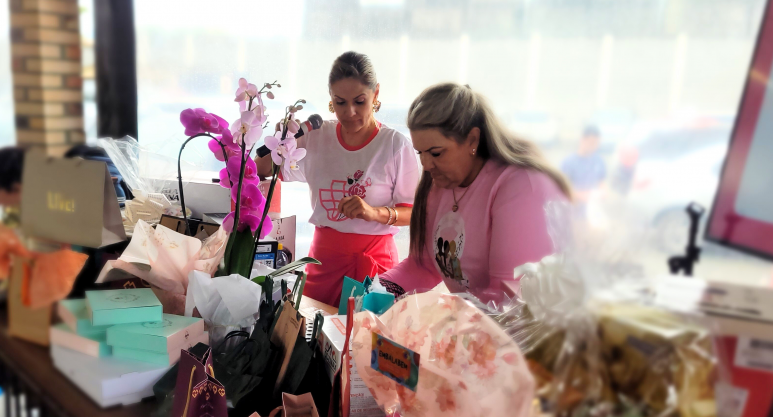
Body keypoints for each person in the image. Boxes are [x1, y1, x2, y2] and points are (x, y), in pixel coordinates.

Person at [378, 83, 571, 301]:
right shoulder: (439, 186)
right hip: (477, 324)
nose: (426, 164)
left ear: (472, 140)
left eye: (436, 153)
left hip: (522, 329)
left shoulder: (519, 185)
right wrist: (378, 292)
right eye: (420, 152)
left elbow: (509, 295)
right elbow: (423, 266)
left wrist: (447, 315)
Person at [256, 51, 421, 306]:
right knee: (312, 337)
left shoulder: (394, 145)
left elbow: (414, 213)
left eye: (360, 101)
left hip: (375, 264)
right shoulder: (316, 136)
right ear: (331, 99)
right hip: (323, 261)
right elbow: (262, 169)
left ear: (376, 94)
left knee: (366, 341)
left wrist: (373, 213)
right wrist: (281, 141)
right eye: (340, 102)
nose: (350, 112)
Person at [561, 125, 607, 210]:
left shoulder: (599, 161)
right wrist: (584, 196)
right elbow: (563, 189)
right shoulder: (568, 163)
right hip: (574, 210)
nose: (594, 146)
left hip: (594, 210)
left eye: (597, 143)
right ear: (582, 140)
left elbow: (602, 182)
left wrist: (602, 193)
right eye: (592, 143)